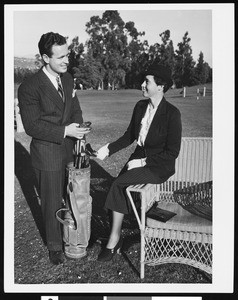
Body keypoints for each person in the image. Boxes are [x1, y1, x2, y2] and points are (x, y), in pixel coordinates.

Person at [96, 62, 182, 261]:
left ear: (160, 86)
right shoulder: (140, 106)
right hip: (138, 158)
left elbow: (173, 152)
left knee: (118, 184)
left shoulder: (172, 114)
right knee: (118, 186)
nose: (143, 85)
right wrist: (107, 150)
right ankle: (123, 230)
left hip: (159, 166)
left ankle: (114, 239)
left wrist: (144, 162)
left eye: (147, 82)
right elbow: (129, 136)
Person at [18, 32, 90, 265]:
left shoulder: (67, 79)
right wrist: (64, 131)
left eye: (67, 55)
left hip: (70, 149)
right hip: (47, 153)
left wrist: (79, 129)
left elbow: (75, 107)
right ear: (45, 58)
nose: (66, 61)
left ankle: (74, 236)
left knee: (72, 196)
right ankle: (55, 246)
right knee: (50, 201)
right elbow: (31, 125)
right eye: (60, 57)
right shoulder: (30, 87)